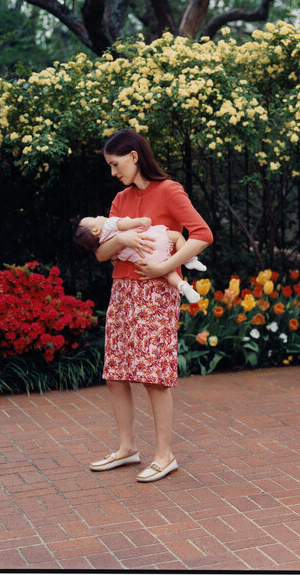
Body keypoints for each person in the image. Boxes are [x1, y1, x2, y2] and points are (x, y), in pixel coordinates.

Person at [87, 129, 213, 482]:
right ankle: (127, 449)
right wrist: (122, 238)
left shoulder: (169, 191)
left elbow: (202, 234)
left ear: (134, 156)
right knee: (115, 373)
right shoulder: (119, 200)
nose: (114, 172)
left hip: (156, 293)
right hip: (122, 291)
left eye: (116, 164)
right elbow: (100, 252)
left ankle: (164, 455)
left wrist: (165, 267)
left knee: (154, 376)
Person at [74, 213, 207, 303]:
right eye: (94, 218)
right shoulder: (109, 224)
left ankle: (184, 287)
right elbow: (123, 224)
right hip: (151, 238)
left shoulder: (105, 243)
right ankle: (190, 260)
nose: (99, 216)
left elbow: (114, 261)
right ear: (95, 231)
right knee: (177, 236)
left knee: (168, 273)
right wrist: (139, 221)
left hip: (145, 257)